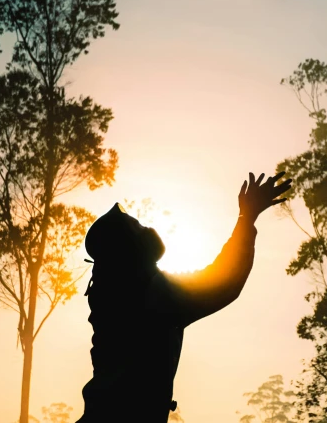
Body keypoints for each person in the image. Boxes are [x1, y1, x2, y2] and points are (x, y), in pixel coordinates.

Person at [75, 171, 292, 423]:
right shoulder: (150, 291)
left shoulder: (114, 289)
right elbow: (224, 281)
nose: (148, 228)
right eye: (138, 227)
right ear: (128, 249)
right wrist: (247, 217)